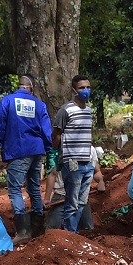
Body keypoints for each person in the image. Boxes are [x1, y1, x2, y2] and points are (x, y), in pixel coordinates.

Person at [0, 74, 54, 242]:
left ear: (19, 86)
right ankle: (38, 228)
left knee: (15, 190)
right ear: (31, 88)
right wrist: (51, 153)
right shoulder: (39, 105)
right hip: (36, 151)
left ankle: (23, 231)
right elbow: (47, 131)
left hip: (17, 151)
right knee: (34, 187)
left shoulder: (8, 102)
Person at [54, 75, 97, 233]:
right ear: (74, 90)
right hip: (72, 162)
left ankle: (73, 232)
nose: (85, 90)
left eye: (88, 87)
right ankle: (70, 235)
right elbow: (56, 133)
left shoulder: (88, 110)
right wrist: (55, 154)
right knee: (71, 202)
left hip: (87, 162)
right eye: (81, 88)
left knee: (82, 201)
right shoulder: (66, 110)